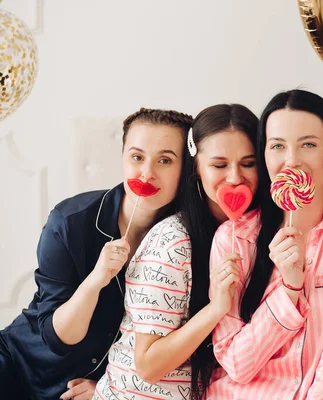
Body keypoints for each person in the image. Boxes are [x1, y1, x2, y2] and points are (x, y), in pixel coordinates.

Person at [0, 108, 193, 400]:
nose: (147, 172)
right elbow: (59, 338)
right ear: (123, 157)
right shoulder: (70, 221)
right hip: (18, 365)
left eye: (165, 160)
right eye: (137, 157)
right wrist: (96, 279)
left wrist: (107, 386)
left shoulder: (187, 242)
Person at [207, 89, 323, 399]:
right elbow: (236, 364)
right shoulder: (234, 239)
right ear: (264, 156)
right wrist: (289, 289)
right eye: (278, 146)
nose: (291, 160)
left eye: (308, 144)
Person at [93, 104, 259, 400]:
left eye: (248, 163)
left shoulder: (254, 235)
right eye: (219, 165)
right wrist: (216, 308)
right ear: (196, 169)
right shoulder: (173, 241)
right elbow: (147, 365)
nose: (235, 178)